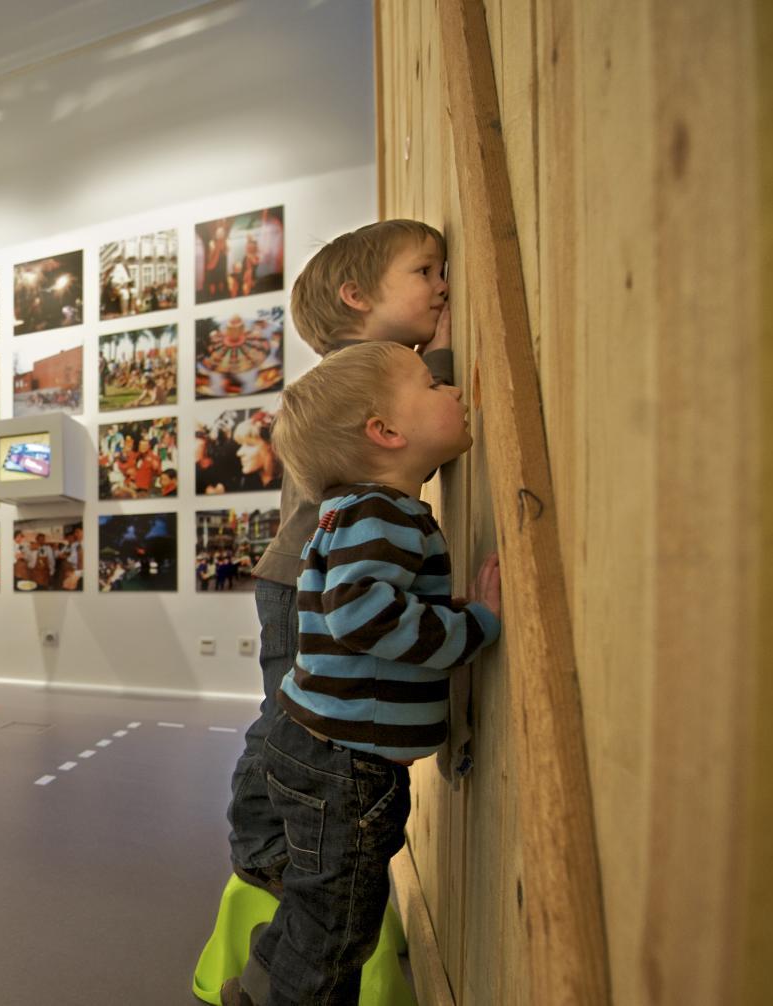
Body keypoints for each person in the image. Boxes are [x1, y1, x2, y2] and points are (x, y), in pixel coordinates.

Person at [225, 339, 501, 1006]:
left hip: (325, 749)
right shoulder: (382, 512)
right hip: (345, 764)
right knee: (339, 927)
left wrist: (451, 609)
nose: (455, 390)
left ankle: (261, 984)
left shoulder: (358, 513)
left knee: (324, 906)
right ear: (385, 431)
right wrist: (480, 624)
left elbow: (369, 607)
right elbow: (364, 615)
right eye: (432, 387)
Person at [223, 220, 460, 911]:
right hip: (302, 575)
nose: (443, 287)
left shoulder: (371, 373)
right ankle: (259, 842)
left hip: (312, 572)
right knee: (289, 711)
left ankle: (286, 831)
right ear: (358, 296)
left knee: (304, 710)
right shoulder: (352, 378)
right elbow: (410, 427)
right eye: (425, 272)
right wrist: (436, 369)